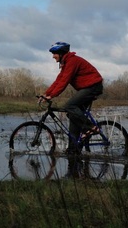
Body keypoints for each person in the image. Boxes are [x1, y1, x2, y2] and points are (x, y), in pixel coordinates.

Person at [40, 42, 103, 176]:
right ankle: (73, 150)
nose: (53, 57)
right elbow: (59, 80)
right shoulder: (66, 63)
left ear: (62, 53)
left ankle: (91, 127)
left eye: (54, 54)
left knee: (69, 106)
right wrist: (46, 94)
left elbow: (64, 81)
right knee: (73, 115)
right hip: (86, 88)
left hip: (93, 87)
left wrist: (52, 95)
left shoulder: (72, 62)